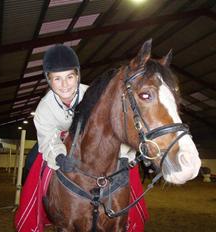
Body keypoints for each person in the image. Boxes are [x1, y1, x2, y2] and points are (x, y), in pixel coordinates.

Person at [14, 44, 148, 232]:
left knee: (129, 170)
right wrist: (59, 157)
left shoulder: (95, 95)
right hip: (58, 141)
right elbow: (48, 137)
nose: (65, 84)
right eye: (57, 79)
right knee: (33, 161)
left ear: (77, 76)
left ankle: (132, 216)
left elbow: (116, 125)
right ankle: (34, 208)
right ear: (49, 80)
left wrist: (125, 155)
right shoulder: (44, 107)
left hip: (94, 140)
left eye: (69, 77)